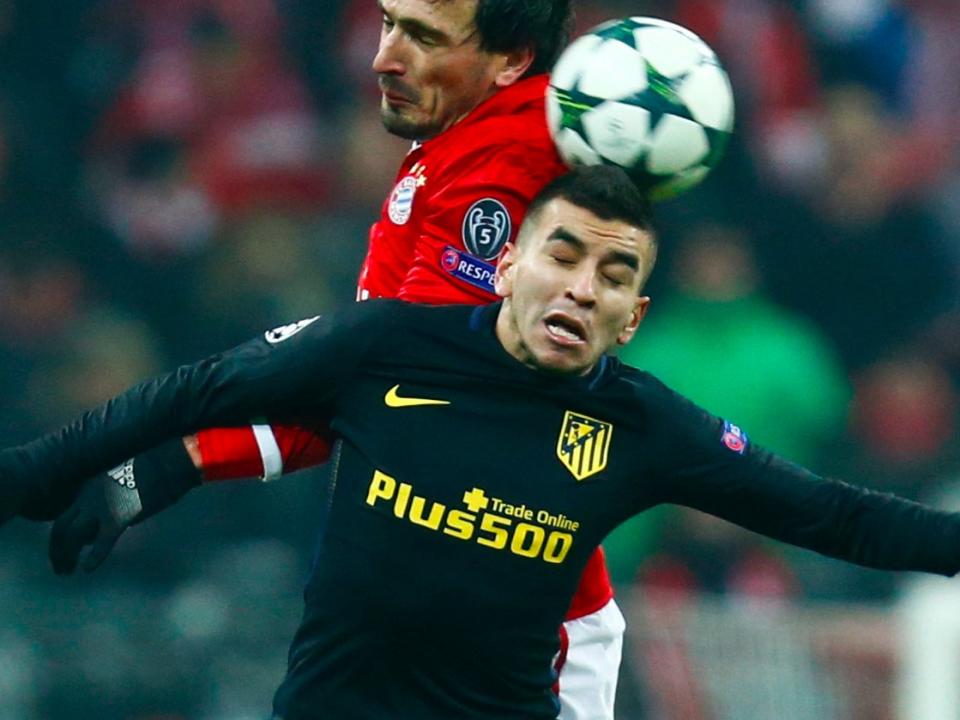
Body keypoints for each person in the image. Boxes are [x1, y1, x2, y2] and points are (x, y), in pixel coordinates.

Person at [5, 166, 960, 720]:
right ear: (508, 265)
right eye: (564, 253)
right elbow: (200, 391)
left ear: (634, 317)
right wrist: (48, 473)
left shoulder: (646, 425)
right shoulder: (386, 341)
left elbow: (832, 513)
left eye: (615, 274)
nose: (583, 286)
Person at [53, 3, 626, 719]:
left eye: (421, 37)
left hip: (515, 608)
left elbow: (394, 388)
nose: (384, 58)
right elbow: (358, 399)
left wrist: (173, 463)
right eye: (389, 23)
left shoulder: (512, 162)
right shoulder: (448, 160)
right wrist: (168, 467)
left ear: (510, 58)